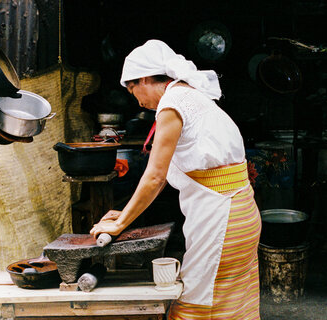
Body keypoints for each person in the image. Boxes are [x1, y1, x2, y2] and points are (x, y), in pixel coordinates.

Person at [90, 39, 261, 319]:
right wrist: (126, 212)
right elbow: (169, 174)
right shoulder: (191, 96)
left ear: (144, 79)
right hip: (239, 212)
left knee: (198, 303)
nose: (136, 99)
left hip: (222, 219)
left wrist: (121, 222)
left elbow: (155, 177)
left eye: (132, 89)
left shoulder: (173, 104)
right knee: (229, 303)